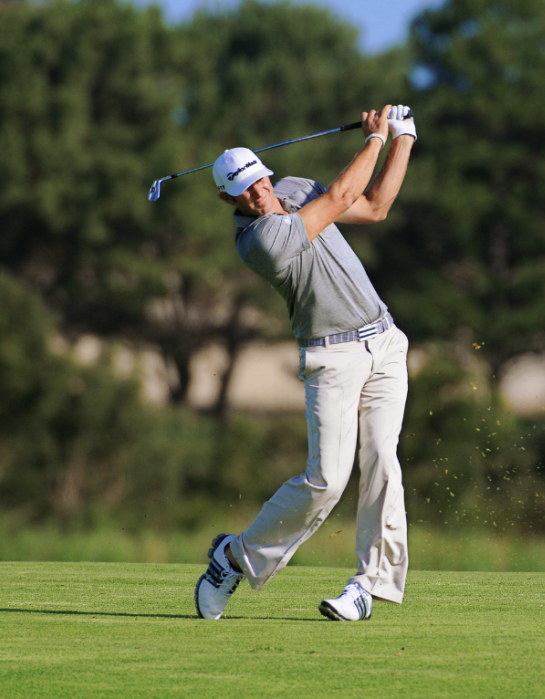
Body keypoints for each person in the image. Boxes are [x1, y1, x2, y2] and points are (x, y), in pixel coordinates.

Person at [195, 104, 416, 621]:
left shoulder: (294, 187)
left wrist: (403, 137)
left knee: (383, 460)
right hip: (330, 356)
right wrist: (375, 139)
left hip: (384, 341)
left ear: (267, 173)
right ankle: (234, 557)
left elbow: (375, 207)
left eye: (260, 180)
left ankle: (368, 586)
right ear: (228, 198)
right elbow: (340, 196)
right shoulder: (258, 242)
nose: (259, 192)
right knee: (328, 481)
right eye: (245, 190)